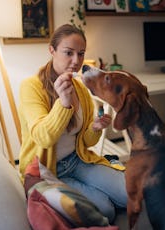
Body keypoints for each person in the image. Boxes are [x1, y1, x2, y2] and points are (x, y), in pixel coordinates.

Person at [18, 24, 127, 224]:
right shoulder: (31, 87)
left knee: (128, 194)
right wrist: (63, 103)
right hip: (49, 170)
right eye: (68, 53)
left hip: (78, 159)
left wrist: (95, 128)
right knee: (105, 210)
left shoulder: (80, 88)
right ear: (52, 50)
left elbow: (84, 142)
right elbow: (43, 137)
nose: (76, 61)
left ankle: (96, 185)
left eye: (81, 54)